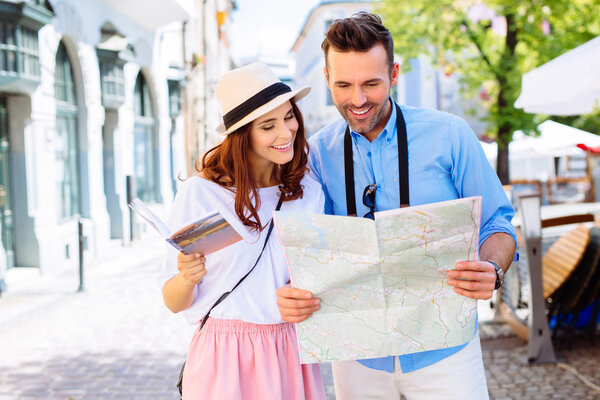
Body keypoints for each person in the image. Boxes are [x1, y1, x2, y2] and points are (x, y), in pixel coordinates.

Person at [276, 12, 517, 400]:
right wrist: (290, 288)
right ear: (325, 79)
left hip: (445, 350)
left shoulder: (451, 134)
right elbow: (303, 244)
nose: (357, 100)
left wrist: (492, 269)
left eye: (371, 83)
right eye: (343, 85)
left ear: (394, 74)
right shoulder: (315, 153)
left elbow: (498, 224)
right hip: (355, 354)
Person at [157, 62, 326, 400]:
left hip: (291, 350)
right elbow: (173, 302)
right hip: (224, 354)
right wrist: (188, 277)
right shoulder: (201, 194)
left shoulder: (308, 190)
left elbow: (322, 276)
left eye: (289, 116)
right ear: (242, 134)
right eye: (268, 125)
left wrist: (309, 296)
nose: (286, 132)